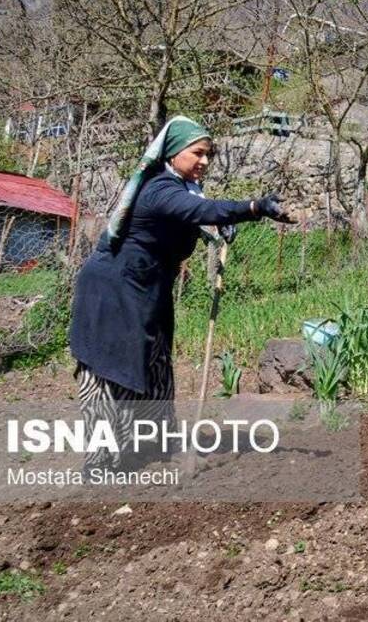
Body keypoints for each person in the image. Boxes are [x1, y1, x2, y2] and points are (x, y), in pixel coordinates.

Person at [68, 115, 293, 471]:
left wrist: (219, 227)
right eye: (198, 153)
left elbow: (195, 216)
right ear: (173, 153)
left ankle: (154, 446)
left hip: (146, 290)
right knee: (108, 374)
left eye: (209, 155)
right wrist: (252, 208)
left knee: (155, 364)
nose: (204, 161)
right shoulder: (159, 188)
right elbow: (197, 211)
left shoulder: (182, 190)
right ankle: (100, 462)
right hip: (111, 294)